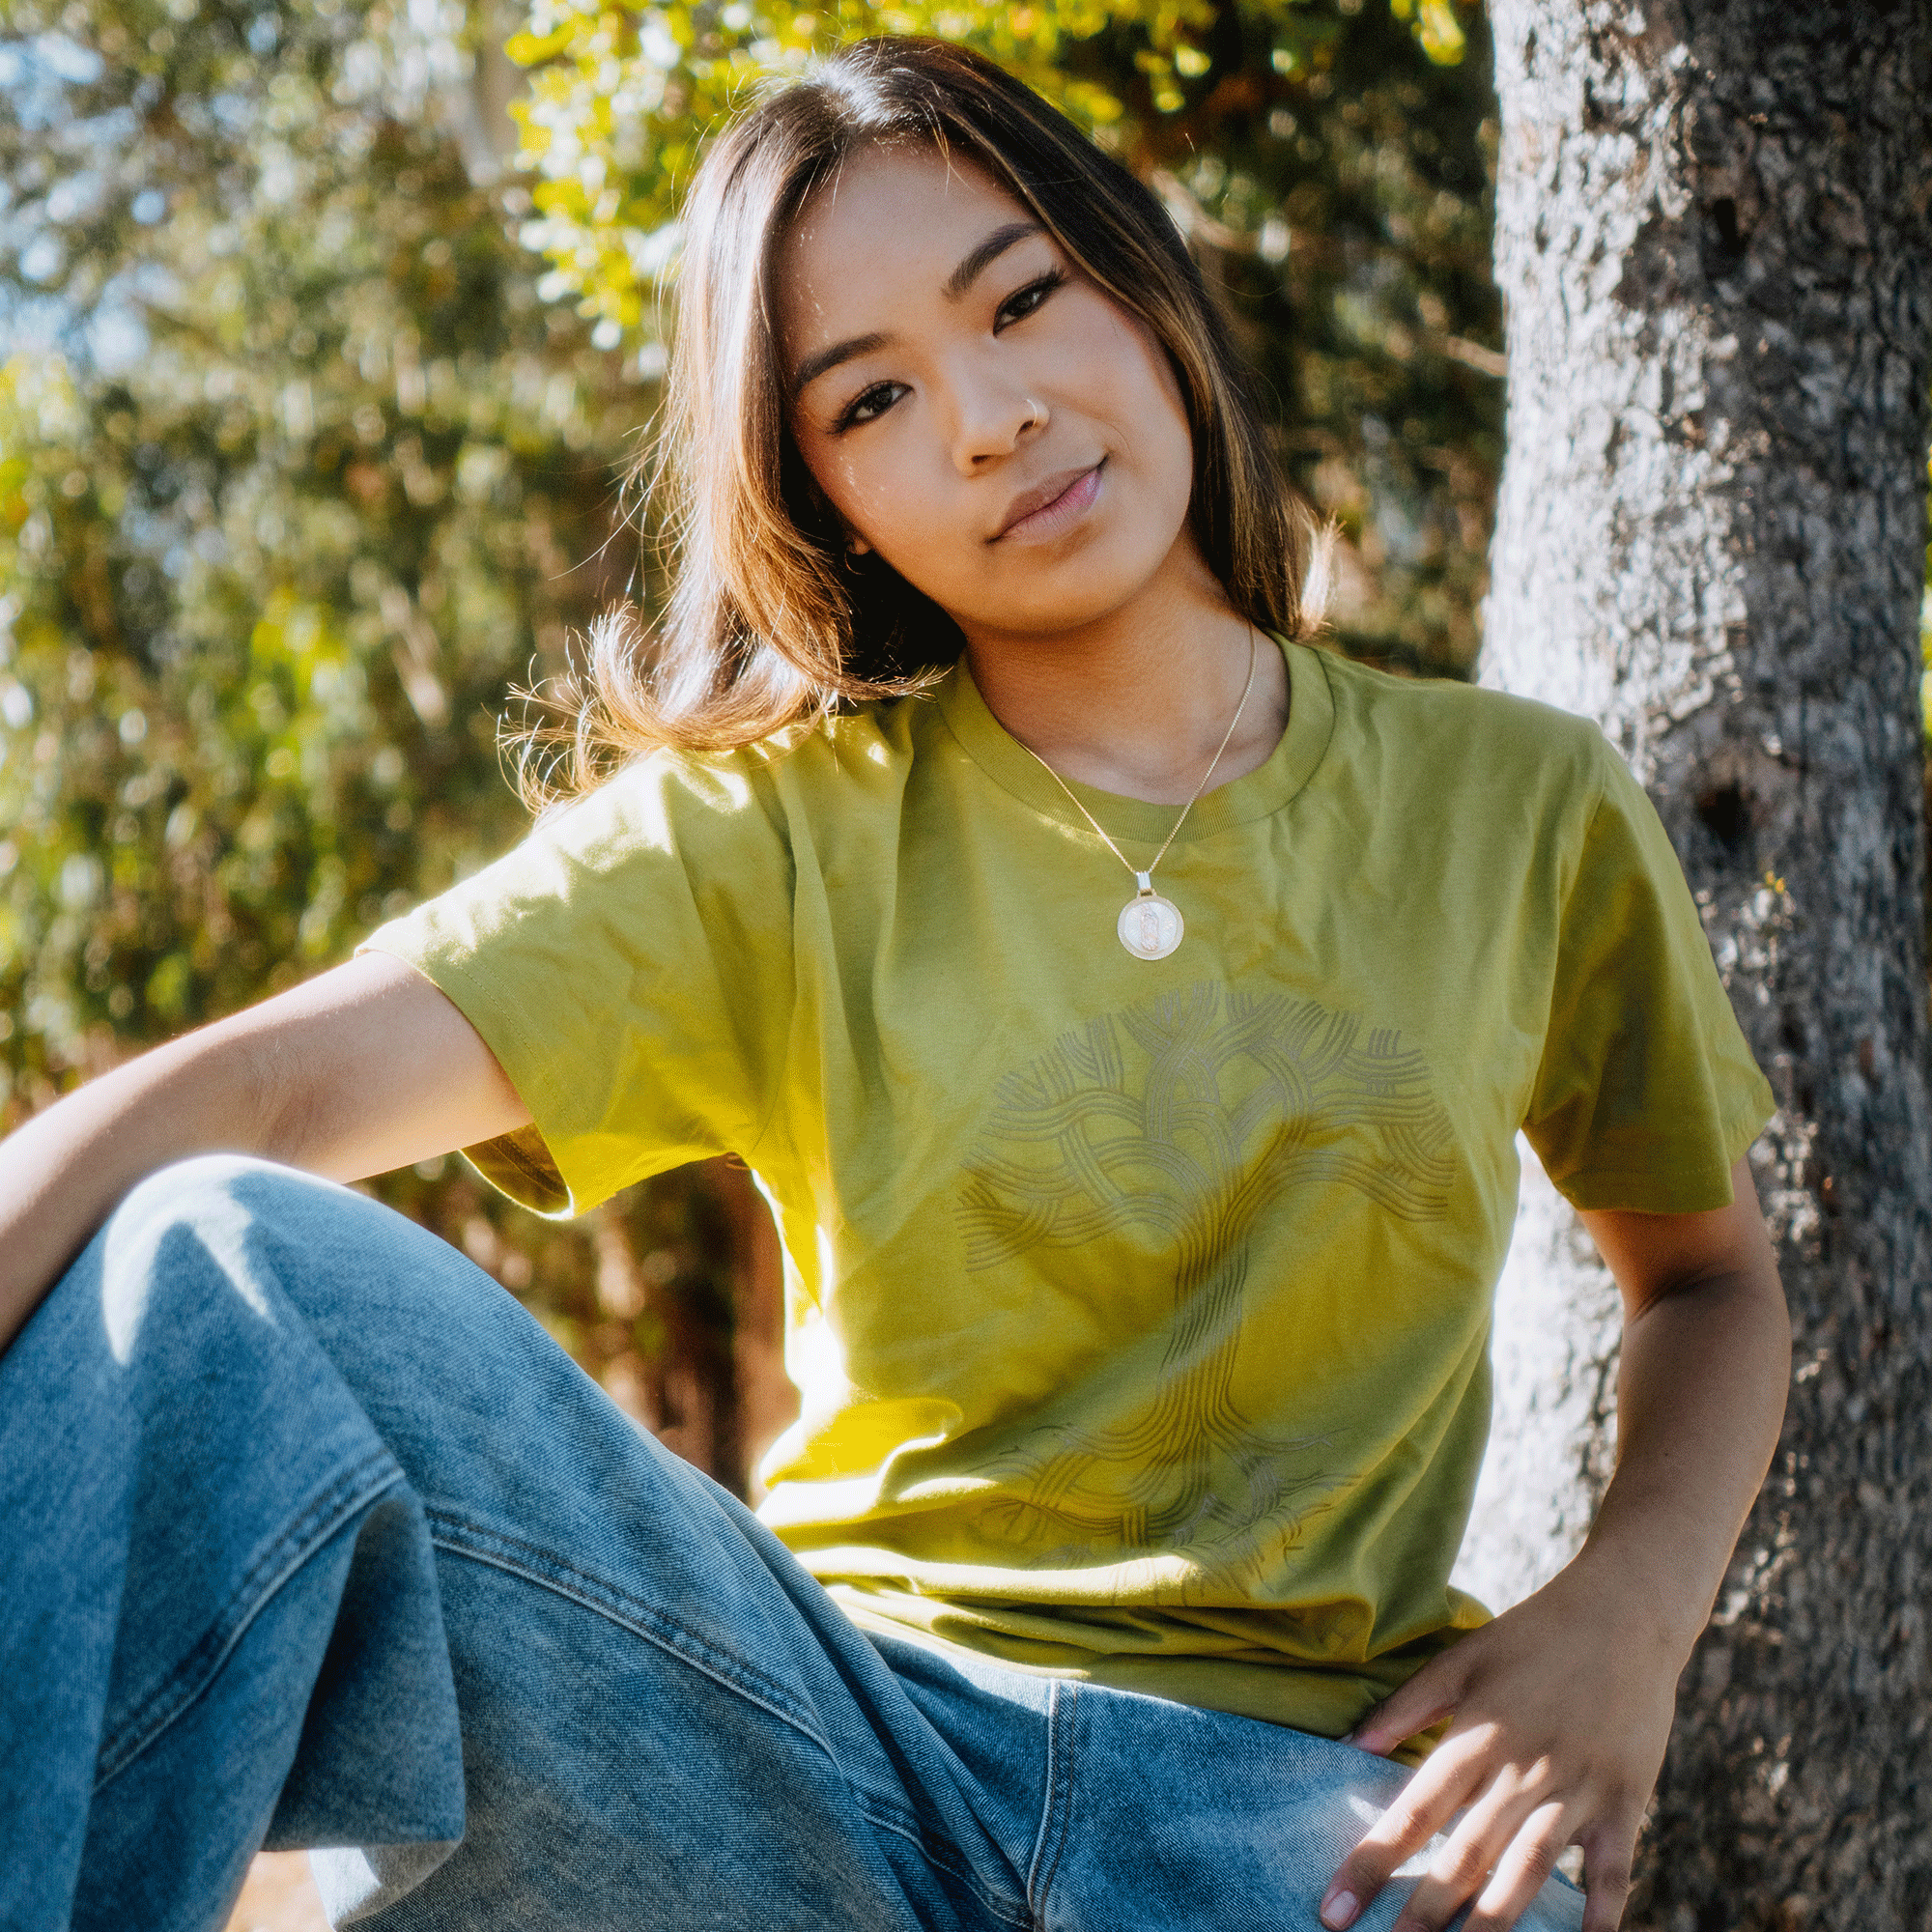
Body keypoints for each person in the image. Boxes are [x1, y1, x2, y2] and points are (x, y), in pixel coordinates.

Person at [0, 36, 1790, 1932]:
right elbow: (263, 1100)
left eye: (1019, 297)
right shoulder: (770, 837)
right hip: (811, 1762)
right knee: (216, 1257)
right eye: (873, 403)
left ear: (1139, 277)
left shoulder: (1513, 801)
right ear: (831, 500)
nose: (992, 418)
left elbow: (1707, 1277)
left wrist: (1625, 1621)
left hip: (1316, 1823)